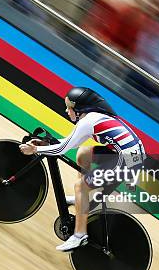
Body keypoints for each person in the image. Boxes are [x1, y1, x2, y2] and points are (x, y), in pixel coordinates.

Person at [19, 87, 146, 251]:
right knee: (83, 154)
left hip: (130, 162)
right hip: (128, 155)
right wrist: (44, 144)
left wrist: (36, 150)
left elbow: (61, 150)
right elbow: (71, 143)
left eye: (69, 107)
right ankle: (81, 199)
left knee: (81, 186)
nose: (66, 111)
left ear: (80, 110)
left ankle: (79, 236)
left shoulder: (88, 122)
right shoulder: (92, 119)